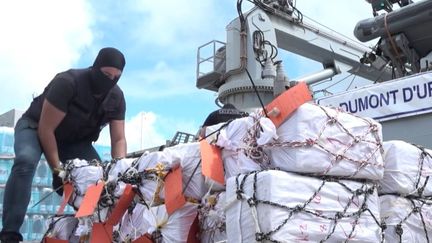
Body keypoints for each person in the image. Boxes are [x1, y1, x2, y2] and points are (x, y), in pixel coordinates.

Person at [0, 47, 127, 243]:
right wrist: (58, 171)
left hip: (75, 141)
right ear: (95, 68)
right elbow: (46, 130)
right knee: (25, 162)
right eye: (105, 74)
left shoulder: (116, 97)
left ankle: (97, 233)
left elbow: (118, 139)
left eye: (115, 77)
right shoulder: (68, 82)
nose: (109, 81)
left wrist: (121, 171)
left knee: (98, 181)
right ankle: (9, 234)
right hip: (36, 127)